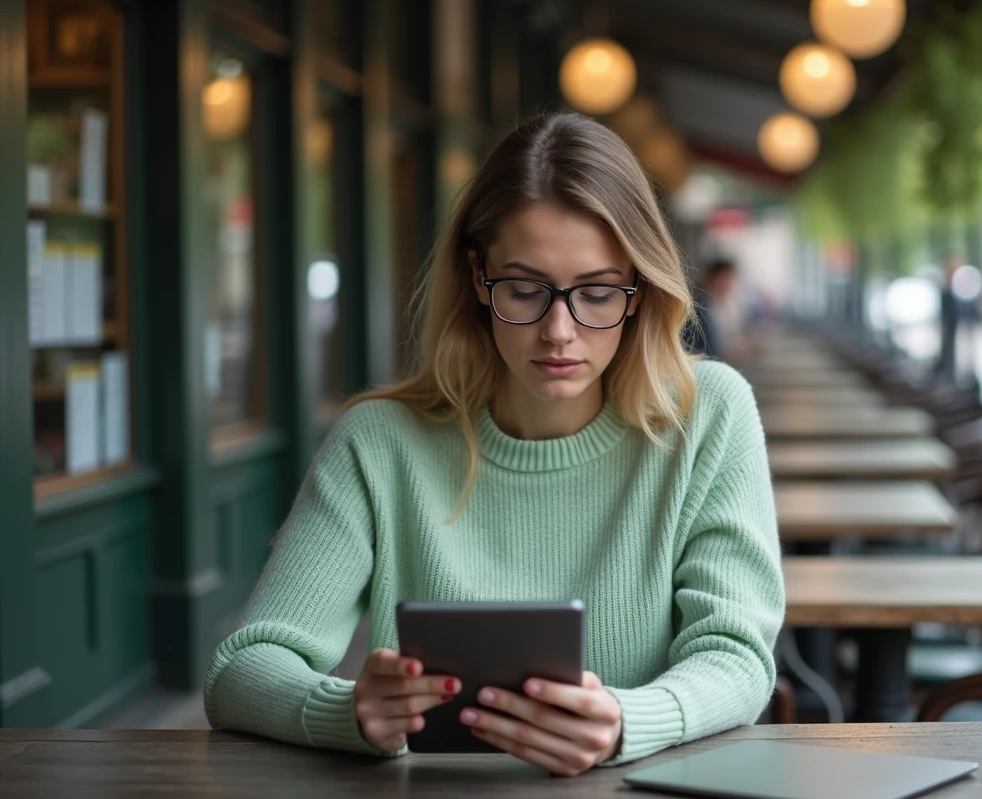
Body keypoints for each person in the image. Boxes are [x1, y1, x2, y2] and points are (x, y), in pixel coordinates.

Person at [204, 112, 784, 776]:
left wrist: (628, 722)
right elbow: (242, 671)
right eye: (525, 289)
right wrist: (350, 711)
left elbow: (737, 656)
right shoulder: (380, 444)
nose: (559, 330)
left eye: (597, 293)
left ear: (640, 288)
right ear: (479, 277)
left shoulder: (708, 416)